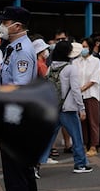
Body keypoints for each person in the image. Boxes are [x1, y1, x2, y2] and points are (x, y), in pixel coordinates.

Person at [0, 6, 39, 191]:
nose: (1, 26)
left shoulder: (21, 51)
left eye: (5, 22)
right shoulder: (13, 48)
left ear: (17, 26)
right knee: (25, 173)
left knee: (15, 177)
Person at [39, 41, 93, 174]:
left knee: (48, 138)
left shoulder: (50, 67)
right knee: (77, 137)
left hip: (53, 108)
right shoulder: (70, 68)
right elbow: (75, 90)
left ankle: (36, 165)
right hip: (68, 109)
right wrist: (81, 108)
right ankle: (80, 164)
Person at [74, 37, 100, 156]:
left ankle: (94, 145)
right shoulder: (76, 61)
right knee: (82, 122)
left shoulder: (95, 61)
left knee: (93, 121)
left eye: (85, 47)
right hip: (79, 96)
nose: (83, 49)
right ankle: (84, 144)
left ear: (90, 47)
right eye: (82, 47)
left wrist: (82, 88)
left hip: (91, 95)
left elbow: (94, 79)